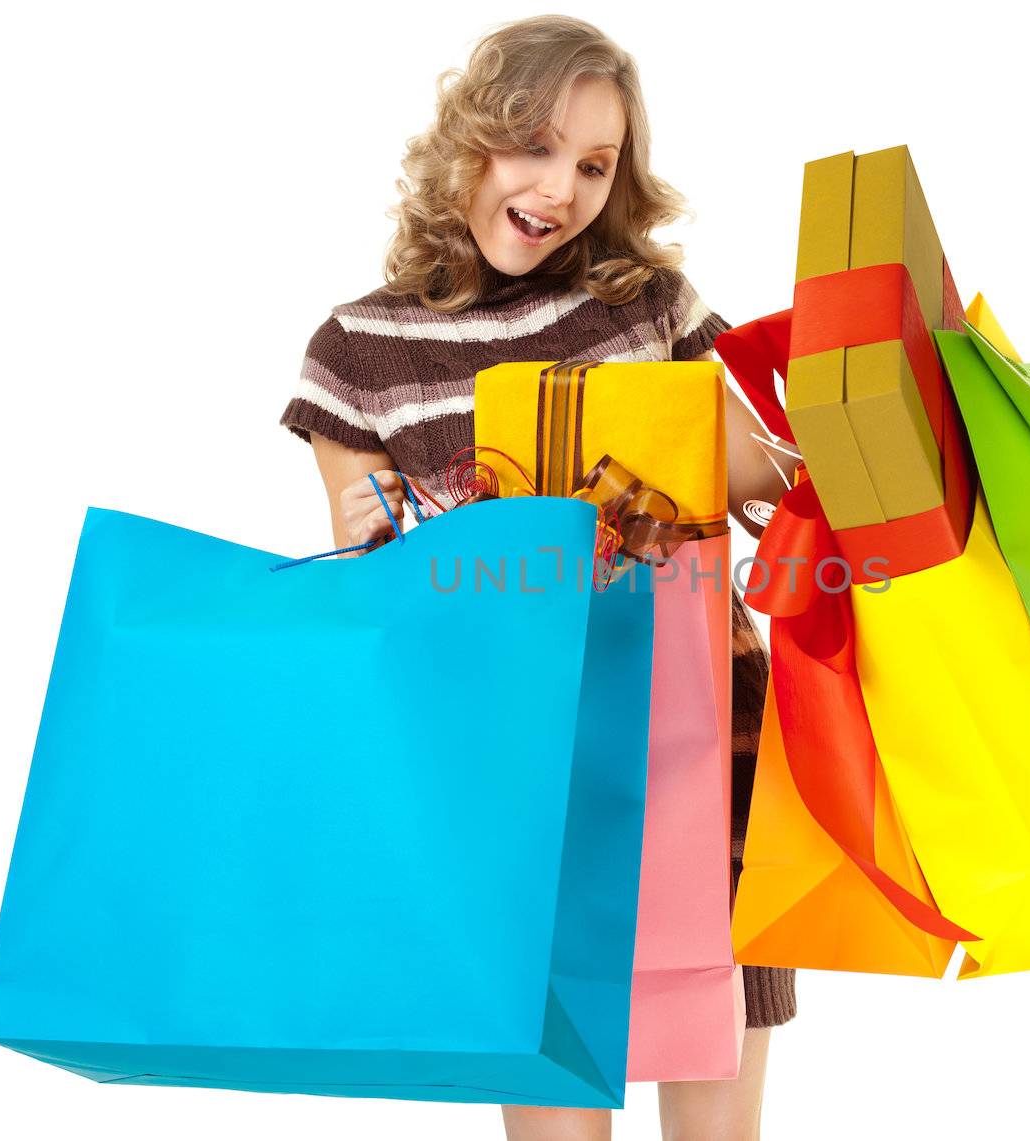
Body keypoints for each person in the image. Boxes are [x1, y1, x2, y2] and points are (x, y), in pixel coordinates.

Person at [276, 15, 794, 1141]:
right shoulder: (358, 349)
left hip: (703, 752)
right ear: (469, 138)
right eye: (535, 146)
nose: (560, 188)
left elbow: (760, 471)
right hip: (518, 773)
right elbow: (371, 598)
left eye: (595, 164)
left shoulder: (646, 303)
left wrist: (836, 431)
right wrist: (382, 537)